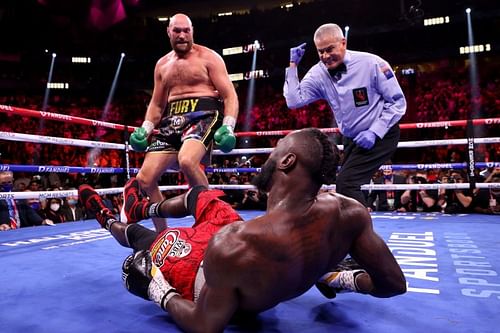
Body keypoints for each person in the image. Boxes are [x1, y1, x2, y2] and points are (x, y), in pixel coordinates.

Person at [79, 128, 406, 332]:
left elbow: (206, 325)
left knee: (146, 239)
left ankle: (110, 220)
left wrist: (155, 289)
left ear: (287, 162)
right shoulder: (349, 212)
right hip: (247, 252)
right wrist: (340, 277)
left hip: (208, 277)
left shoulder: (234, 245)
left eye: (276, 148)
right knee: (202, 197)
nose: (269, 154)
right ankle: (146, 207)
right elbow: (393, 284)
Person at [127, 13, 239, 232]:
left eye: (186, 30)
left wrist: (229, 126)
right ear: (168, 32)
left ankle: (213, 225)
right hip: (172, 121)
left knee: (187, 161)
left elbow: (229, 95)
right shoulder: (162, 65)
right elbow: (157, 105)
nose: (181, 35)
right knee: (144, 179)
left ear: (192, 31)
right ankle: (162, 236)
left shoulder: (209, 57)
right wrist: (146, 128)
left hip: (203, 115)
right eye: (176, 31)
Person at [283, 23, 406, 207]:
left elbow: (398, 102)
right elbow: (294, 101)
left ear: (343, 43)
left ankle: (361, 234)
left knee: (347, 184)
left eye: (330, 49)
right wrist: (293, 66)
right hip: (351, 139)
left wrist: (374, 131)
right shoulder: (318, 73)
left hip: (383, 134)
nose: (325, 56)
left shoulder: (372, 64)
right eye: (320, 51)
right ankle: (353, 231)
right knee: (343, 187)